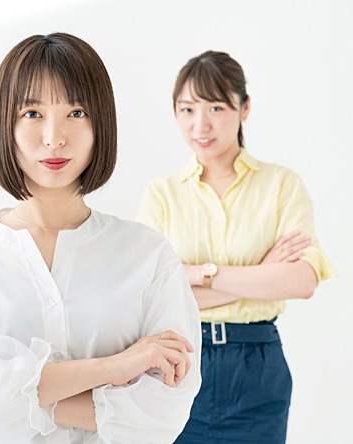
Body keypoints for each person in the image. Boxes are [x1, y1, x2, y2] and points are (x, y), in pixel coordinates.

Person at [0, 32, 201, 444]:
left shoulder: (147, 255)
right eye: (32, 113)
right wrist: (113, 367)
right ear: (3, 123)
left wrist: (2, 371)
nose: (54, 137)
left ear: (101, 122)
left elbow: (163, 416)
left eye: (76, 112)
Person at [137, 51, 337, 444]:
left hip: (258, 367)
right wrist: (262, 273)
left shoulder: (282, 185)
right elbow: (150, 298)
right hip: (179, 362)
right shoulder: (161, 194)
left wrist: (195, 275)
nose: (201, 124)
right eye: (187, 109)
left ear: (244, 107)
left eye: (216, 106)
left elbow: (301, 281)